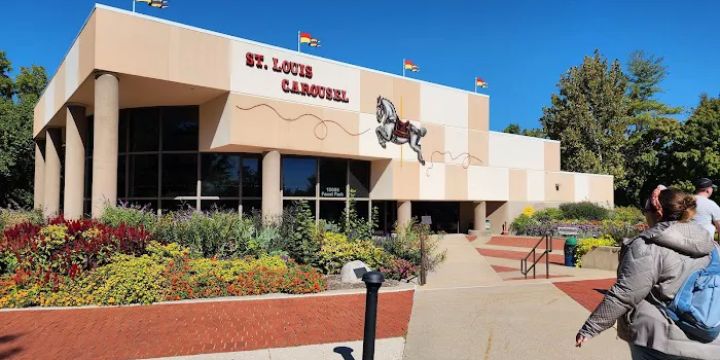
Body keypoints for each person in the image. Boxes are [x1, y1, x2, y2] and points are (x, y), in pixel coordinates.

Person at [576, 187, 720, 359]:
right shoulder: (712, 247)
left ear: (657, 213)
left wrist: (591, 328)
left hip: (659, 341)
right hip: (708, 340)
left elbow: (626, 293)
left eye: (646, 210)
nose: (645, 214)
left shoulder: (647, 247)